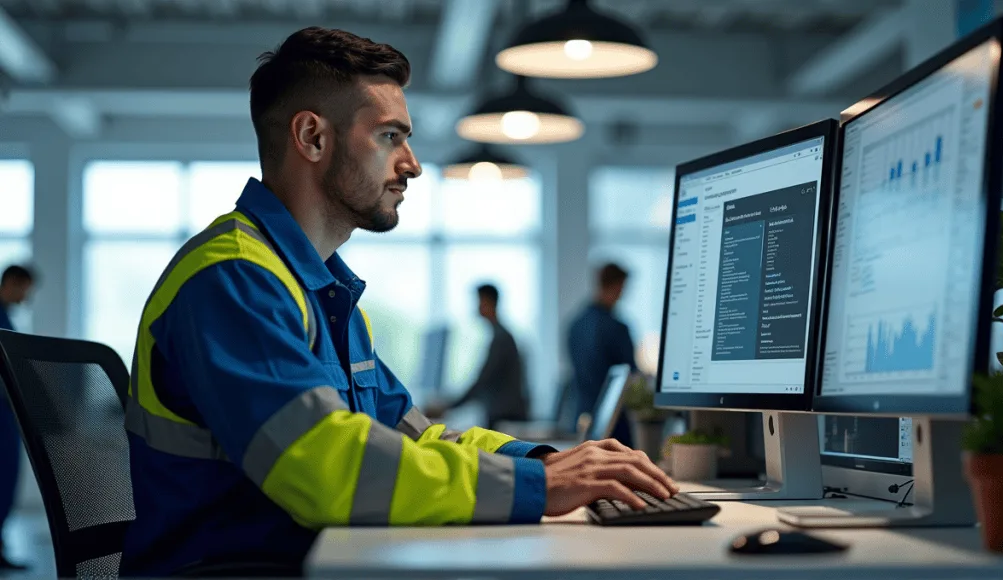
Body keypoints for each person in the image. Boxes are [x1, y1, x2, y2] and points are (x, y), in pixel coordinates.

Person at [120, 27, 675, 576]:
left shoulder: (324, 294)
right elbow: (327, 470)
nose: (411, 164)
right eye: (389, 136)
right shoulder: (233, 279)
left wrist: (544, 463)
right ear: (312, 137)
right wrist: (542, 488)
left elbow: (416, 435)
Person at [434, 284, 529, 429]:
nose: (477, 307)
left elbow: (482, 381)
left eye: (480, 301)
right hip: (501, 414)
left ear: (489, 302)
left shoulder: (501, 338)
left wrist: (449, 407)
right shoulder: (500, 336)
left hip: (504, 419)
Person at [568, 263, 637, 446]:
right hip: (614, 425)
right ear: (618, 285)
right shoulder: (616, 328)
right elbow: (632, 377)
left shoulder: (575, 324)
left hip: (582, 417)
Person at [0, 264, 35, 571]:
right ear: (12, 282)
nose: (27, 296)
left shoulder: (6, 316)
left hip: (6, 413)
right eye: (25, 288)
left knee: (6, 479)